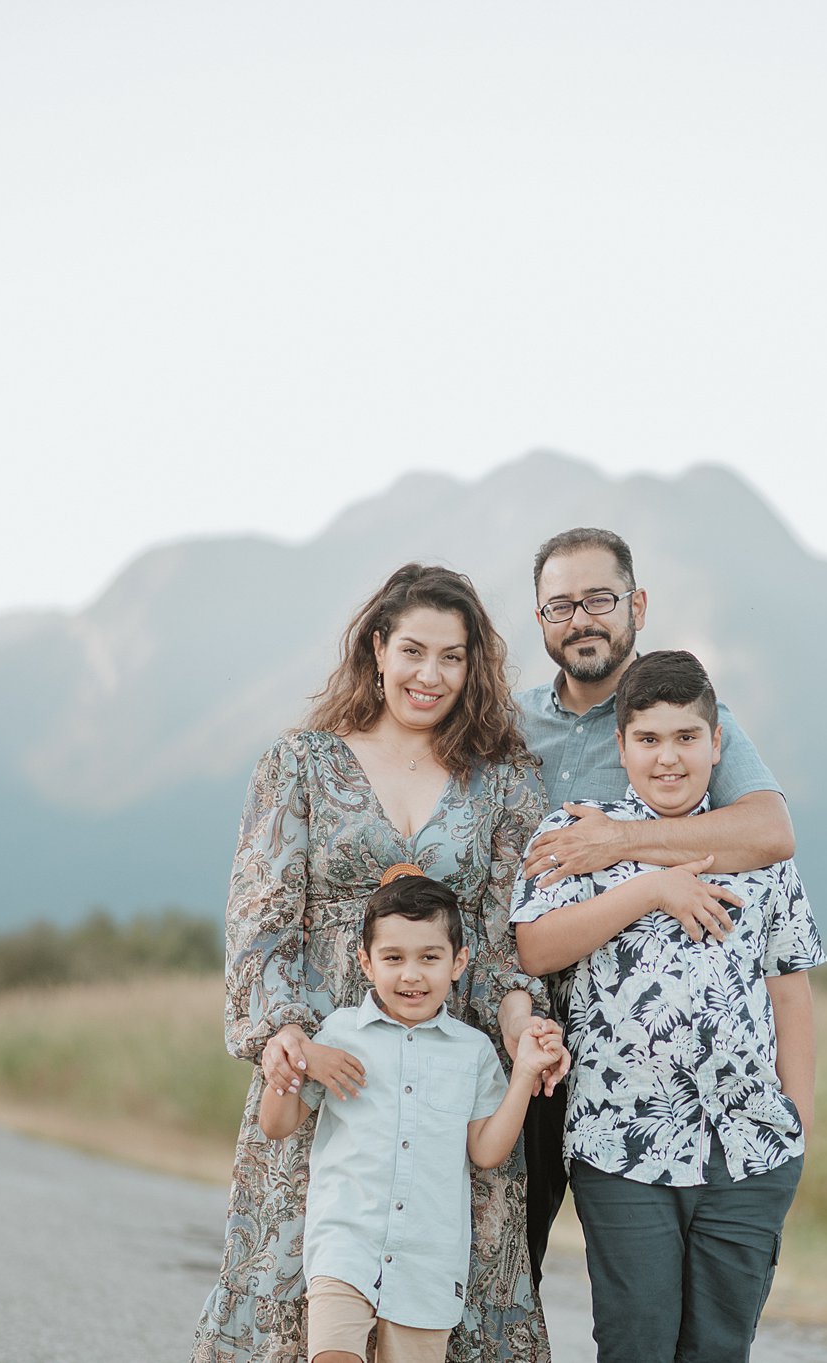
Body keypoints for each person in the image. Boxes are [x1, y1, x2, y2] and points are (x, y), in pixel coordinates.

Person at [194, 563, 568, 1363]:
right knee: (305, 1290)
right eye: (414, 650)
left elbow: (507, 943)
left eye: (453, 656)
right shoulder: (299, 764)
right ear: (377, 648)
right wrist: (283, 1039)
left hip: (448, 1068)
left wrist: (523, 1029)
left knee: (444, 1299)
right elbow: (260, 923)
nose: (430, 675)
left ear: (475, 666)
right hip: (330, 1057)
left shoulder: (503, 780)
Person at [509, 651, 824, 1363]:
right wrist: (649, 888)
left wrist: (795, 1122)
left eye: (687, 737)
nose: (669, 758)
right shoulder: (579, 832)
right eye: (648, 740)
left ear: (718, 744)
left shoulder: (755, 847)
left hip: (748, 1147)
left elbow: (789, 985)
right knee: (636, 1342)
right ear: (620, 747)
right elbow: (536, 948)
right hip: (624, 1143)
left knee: (719, 1348)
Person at [514, 527, 796, 1282]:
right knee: (499, 1267)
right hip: (520, 1030)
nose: (582, 619)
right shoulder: (507, 725)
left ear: (636, 604)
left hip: (643, 1063)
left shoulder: (687, 714)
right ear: (539, 618)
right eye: (561, 605)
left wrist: (618, 845)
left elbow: (769, 831)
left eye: (600, 599)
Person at [258, 869, 564, 1363]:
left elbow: (486, 1152)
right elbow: (275, 1125)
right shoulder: (337, 1034)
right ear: (366, 961)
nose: (411, 974)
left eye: (429, 957)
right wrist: (293, 1060)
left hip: (429, 1259)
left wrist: (525, 1072)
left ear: (458, 962)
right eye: (393, 958)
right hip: (345, 1243)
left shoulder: (473, 1051)